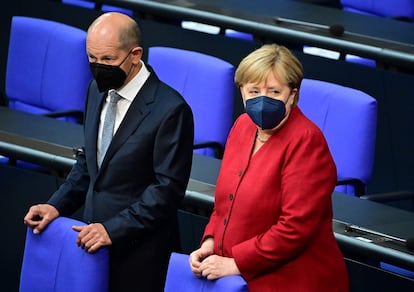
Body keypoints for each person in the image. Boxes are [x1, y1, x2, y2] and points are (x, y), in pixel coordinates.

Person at [23, 12, 194, 291]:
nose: (98, 67)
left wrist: (112, 229)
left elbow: (166, 190)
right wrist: (57, 205)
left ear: (135, 54)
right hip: (89, 246)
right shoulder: (97, 89)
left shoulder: (171, 109)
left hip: (139, 256)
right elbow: (90, 163)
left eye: (108, 60)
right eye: (92, 58)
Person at [189, 44, 349, 291]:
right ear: (241, 91)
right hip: (238, 275)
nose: (262, 100)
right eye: (253, 90)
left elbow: (295, 227)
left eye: (274, 91)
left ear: (292, 95)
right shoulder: (243, 125)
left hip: (292, 279)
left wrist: (237, 264)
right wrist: (211, 240)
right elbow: (226, 202)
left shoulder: (306, 141)